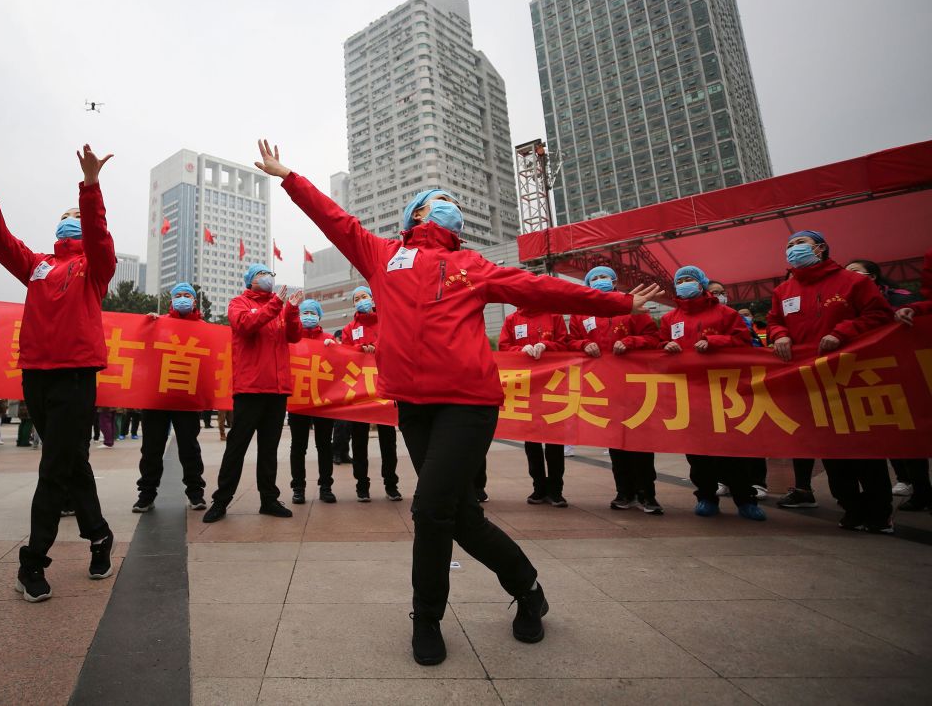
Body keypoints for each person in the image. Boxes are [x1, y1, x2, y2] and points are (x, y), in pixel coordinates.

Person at [257, 139, 662, 664]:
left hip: (468, 405)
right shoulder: (383, 256)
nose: (447, 202)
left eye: (451, 200)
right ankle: (529, 591)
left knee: (429, 510)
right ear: (416, 214)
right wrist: (288, 175)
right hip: (414, 407)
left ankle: (425, 619)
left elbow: (542, 289)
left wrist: (619, 303)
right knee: (460, 517)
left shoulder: (473, 264)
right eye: (435, 198)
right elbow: (334, 218)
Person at [0, 146, 117, 603]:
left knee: (54, 466)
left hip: (75, 376)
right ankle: (99, 535)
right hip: (35, 375)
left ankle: (33, 561)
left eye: (74, 215)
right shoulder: (36, 264)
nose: (69, 220)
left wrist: (90, 188)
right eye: (65, 215)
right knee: (70, 460)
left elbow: (98, 235)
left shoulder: (94, 267)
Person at [768, 231, 894, 531]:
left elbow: (879, 314)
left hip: (854, 377)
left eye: (800, 244)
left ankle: (879, 513)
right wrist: (780, 335)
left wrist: (842, 332)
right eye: (789, 246)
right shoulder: (783, 290)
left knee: (865, 449)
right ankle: (850, 506)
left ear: (821, 248)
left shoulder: (854, 282)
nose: (793, 250)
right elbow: (775, 321)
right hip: (811, 381)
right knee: (831, 449)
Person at [661, 266, 767, 521]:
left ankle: (745, 499)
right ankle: (706, 496)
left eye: (689, 280)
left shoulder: (725, 313)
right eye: (680, 281)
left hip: (724, 389)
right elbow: (659, 344)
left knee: (733, 448)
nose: (684, 284)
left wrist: (715, 341)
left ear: (701, 284)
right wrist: (667, 344)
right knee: (698, 450)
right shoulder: (670, 318)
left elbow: (744, 341)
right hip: (690, 390)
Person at [202, 264, 303, 522]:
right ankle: (221, 501)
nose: (267, 278)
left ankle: (268, 500)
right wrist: (275, 306)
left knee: (269, 449)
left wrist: (290, 310)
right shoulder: (240, 303)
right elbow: (245, 325)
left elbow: (294, 336)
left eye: (270, 274)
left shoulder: (279, 307)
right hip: (250, 388)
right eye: (261, 275)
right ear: (250, 280)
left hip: (277, 389)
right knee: (237, 447)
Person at [567, 266, 664, 514]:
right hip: (603, 387)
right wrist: (585, 343)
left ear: (614, 281)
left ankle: (647, 495)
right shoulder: (580, 313)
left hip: (635, 386)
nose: (600, 281)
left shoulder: (631, 305)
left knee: (640, 441)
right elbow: (570, 342)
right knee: (615, 443)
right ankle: (624, 493)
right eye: (594, 278)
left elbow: (654, 338)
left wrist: (630, 342)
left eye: (604, 277)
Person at [845, 258, 925, 503]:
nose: (850, 278)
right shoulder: (849, 304)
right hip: (869, 376)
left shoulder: (901, 297)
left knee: (909, 434)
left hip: (903, 372)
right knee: (885, 432)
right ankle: (904, 479)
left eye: (856, 272)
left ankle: (923, 489)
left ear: (873, 276)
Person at [132, 283, 208, 512]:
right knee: (151, 448)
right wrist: (147, 326)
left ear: (194, 301)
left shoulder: (204, 329)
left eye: (187, 296)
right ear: (171, 301)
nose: (183, 299)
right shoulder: (159, 323)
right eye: (179, 296)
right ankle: (146, 493)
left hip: (187, 396)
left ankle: (195, 493)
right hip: (157, 395)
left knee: (189, 447)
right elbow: (140, 348)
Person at [498, 307, 570, 507]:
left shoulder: (554, 315)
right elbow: (504, 346)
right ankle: (539, 488)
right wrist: (519, 350)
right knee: (531, 442)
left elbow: (565, 343)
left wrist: (545, 345)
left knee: (555, 441)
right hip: (527, 387)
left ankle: (556, 490)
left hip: (553, 385)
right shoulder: (512, 319)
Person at [339, 285, 402, 503]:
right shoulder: (349, 328)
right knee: (359, 441)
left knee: (388, 440)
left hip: (385, 389)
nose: (361, 300)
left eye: (364, 296)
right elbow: (344, 354)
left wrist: (376, 346)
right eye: (357, 298)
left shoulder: (386, 321)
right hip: (360, 392)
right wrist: (360, 349)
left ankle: (391, 484)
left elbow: (395, 344)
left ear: (373, 299)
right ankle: (362, 486)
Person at [890, 247, 931, 513]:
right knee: (903, 430)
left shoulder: (893, 296)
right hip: (893, 376)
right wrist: (914, 309)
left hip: (913, 366)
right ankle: (917, 486)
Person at [286, 298, 338, 505]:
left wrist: (334, 349)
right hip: (299, 400)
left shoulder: (328, 339)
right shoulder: (292, 339)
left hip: (324, 400)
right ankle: (298, 488)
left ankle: (326, 486)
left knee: (324, 445)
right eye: (304, 312)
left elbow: (339, 368)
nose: (308, 316)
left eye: (312, 313)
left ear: (319, 316)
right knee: (298, 446)